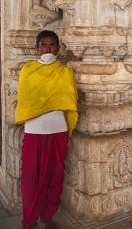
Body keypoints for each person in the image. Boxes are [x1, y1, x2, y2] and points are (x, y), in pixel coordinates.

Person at [15, 30, 78, 229]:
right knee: (30, 179)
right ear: (37, 48)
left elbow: (70, 101)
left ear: (58, 49)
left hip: (58, 129)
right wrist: (46, 104)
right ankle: (30, 219)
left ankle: (48, 216)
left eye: (52, 45)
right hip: (34, 131)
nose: (47, 49)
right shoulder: (28, 70)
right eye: (44, 45)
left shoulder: (65, 72)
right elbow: (27, 101)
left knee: (55, 176)